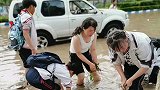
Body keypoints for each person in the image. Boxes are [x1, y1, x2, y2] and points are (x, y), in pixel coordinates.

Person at [69, 17, 101, 86]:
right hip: (75, 55)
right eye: (90, 30)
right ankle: (72, 71)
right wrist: (90, 63)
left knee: (96, 75)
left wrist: (95, 63)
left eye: (93, 30)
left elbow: (93, 50)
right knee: (81, 78)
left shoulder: (94, 34)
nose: (92, 32)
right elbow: (78, 54)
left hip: (86, 53)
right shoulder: (76, 37)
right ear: (84, 28)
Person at [18, 0, 37, 88]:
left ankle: (27, 83)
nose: (34, 10)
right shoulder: (27, 17)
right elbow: (25, 33)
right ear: (31, 6)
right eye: (34, 7)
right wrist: (32, 48)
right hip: (26, 47)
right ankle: (29, 84)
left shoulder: (21, 14)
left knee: (27, 66)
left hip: (22, 46)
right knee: (30, 66)